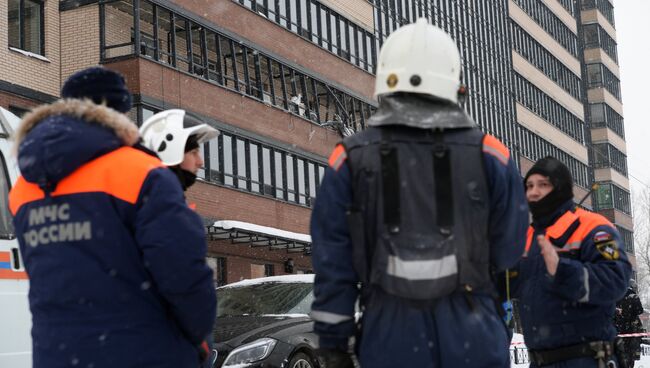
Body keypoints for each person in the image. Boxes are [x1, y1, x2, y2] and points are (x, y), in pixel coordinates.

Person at [309, 18, 529, 368]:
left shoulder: (350, 158)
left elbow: (332, 259)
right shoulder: (491, 155)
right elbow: (509, 250)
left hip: (389, 336)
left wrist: (334, 342)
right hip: (474, 331)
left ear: (386, 80)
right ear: (453, 84)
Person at [8, 66, 217, 368]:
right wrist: (199, 337)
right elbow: (182, 272)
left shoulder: (25, 188)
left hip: (57, 353)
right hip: (144, 353)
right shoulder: (143, 172)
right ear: (119, 112)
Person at [511, 156, 632, 367]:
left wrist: (562, 271)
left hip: (587, 359)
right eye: (529, 185)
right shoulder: (524, 237)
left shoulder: (594, 228)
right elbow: (507, 286)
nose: (533, 191)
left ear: (560, 188)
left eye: (543, 184)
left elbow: (616, 280)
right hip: (539, 360)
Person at [139, 109, 219, 193]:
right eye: (193, 153)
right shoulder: (165, 202)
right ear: (170, 155)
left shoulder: (149, 198)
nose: (200, 162)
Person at [614, 280, 645, 368]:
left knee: (619, 352)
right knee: (631, 353)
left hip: (618, 329)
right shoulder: (633, 296)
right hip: (631, 329)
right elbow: (640, 310)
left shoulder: (617, 295)